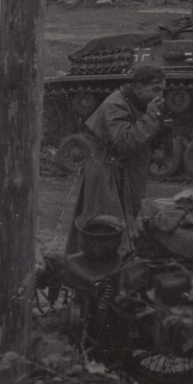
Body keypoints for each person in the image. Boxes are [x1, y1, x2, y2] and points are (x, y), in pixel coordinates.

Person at [66, 66, 166, 254]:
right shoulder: (116, 104)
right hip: (107, 174)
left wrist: (159, 144)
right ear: (137, 88)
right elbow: (125, 141)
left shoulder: (141, 102)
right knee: (106, 230)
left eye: (162, 89)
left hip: (124, 172)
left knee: (122, 230)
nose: (160, 95)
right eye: (155, 89)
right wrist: (152, 115)